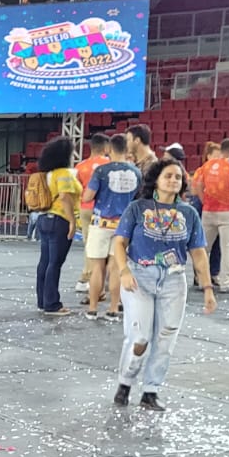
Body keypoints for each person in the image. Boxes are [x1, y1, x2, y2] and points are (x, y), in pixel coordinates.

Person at [110, 158, 215, 411]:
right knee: (140, 336)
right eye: (168, 175)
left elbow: (198, 252)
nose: (173, 180)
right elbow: (119, 242)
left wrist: (208, 288)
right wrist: (123, 271)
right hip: (138, 276)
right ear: (156, 180)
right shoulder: (137, 208)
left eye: (178, 177)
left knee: (166, 336)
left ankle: (151, 391)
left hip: (173, 279)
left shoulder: (188, 213)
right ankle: (125, 381)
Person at [81, 132, 141, 319]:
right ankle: (113, 308)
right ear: (127, 149)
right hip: (124, 225)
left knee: (97, 267)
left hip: (101, 223)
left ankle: (92, 308)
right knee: (116, 267)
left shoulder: (101, 171)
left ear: (109, 149)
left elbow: (88, 197)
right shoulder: (136, 172)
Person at [34, 135, 81, 316]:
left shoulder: (47, 174)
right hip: (60, 219)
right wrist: (72, 221)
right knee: (55, 263)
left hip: (44, 218)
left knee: (45, 262)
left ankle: (43, 300)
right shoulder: (64, 174)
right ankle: (52, 303)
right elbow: (64, 196)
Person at [193, 138, 229, 292]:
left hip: (208, 210)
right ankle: (226, 283)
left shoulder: (207, 165)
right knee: (228, 248)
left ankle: (201, 280)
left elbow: (197, 186)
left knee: (203, 247)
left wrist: (204, 201)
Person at [73, 133, 110, 296]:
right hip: (103, 209)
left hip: (84, 208)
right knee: (106, 245)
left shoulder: (80, 166)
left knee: (89, 244)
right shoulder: (109, 164)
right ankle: (93, 278)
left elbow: (76, 189)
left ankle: (86, 278)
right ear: (105, 147)